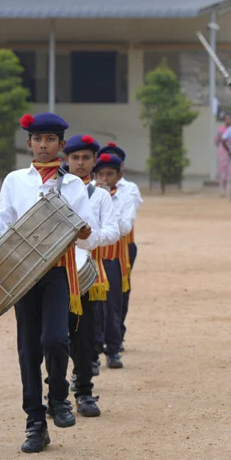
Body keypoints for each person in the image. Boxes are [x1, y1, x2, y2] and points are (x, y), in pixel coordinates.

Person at [0, 113, 97, 453]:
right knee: (28, 350)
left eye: (50, 139)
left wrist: (83, 233)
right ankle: (35, 422)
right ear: (29, 144)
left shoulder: (74, 186)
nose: (43, 144)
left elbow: (86, 235)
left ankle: (58, 397)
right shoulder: (15, 181)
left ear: (61, 145)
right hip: (23, 274)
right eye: (37, 139)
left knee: (55, 339)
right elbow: (1, 230)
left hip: (56, 270)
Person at [63, 134, 121, 417]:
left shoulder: (99, 195)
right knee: (54, 336)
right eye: (75, 158)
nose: (81, 163)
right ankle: (57, 392)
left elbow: (113, 231)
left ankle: (84, 391)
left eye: (86, 158)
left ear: (94, 161)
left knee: (84, 336)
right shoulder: (54, 190)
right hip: (57, 272)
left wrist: (88, 238)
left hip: (87, 274)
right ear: (67, 160)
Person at [97, 142, 143, 352]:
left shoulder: (129, 188)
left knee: (120, 293)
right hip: (97, 248)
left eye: (111, 170)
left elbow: (125, 225)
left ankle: (116, 334)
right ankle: (101, 338)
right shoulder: (92, 189)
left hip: (123, 247)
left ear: (120, 168)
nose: (106, 177)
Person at [214, 112, 231, 197]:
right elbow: (216, 141)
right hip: (223, 152)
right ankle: (222, 190)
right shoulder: (220, 130)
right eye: (227, 119)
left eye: (230, 119)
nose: (228, 120)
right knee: (222, 170)